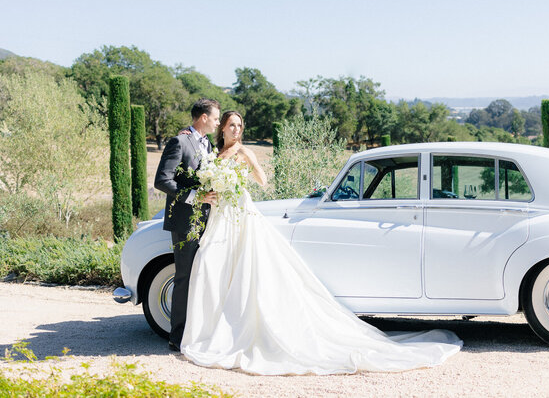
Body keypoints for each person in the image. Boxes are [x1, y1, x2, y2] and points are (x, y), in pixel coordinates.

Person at [180, 111, 462, 375]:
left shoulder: (244, 151)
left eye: (240, 126)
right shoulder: (215, 153)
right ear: (222, 128)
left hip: (241, 210)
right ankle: (212, 326)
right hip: (219, 213)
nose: (237, 129)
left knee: (245, 267)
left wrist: (244, 171)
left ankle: (237, 328)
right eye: (232, 125)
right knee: (213, 264)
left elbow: (263, 180)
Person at [154, 98, 221, 351]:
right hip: (185, 221)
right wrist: (195, 197)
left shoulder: (208, 144)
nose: (217, 122)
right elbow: (162, 181)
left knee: (203, 276)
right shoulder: (179, 142)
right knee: (184, 277)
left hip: (209, 220)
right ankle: (177, 336)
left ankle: (199, 331)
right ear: (203, 117)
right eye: (215, 118)